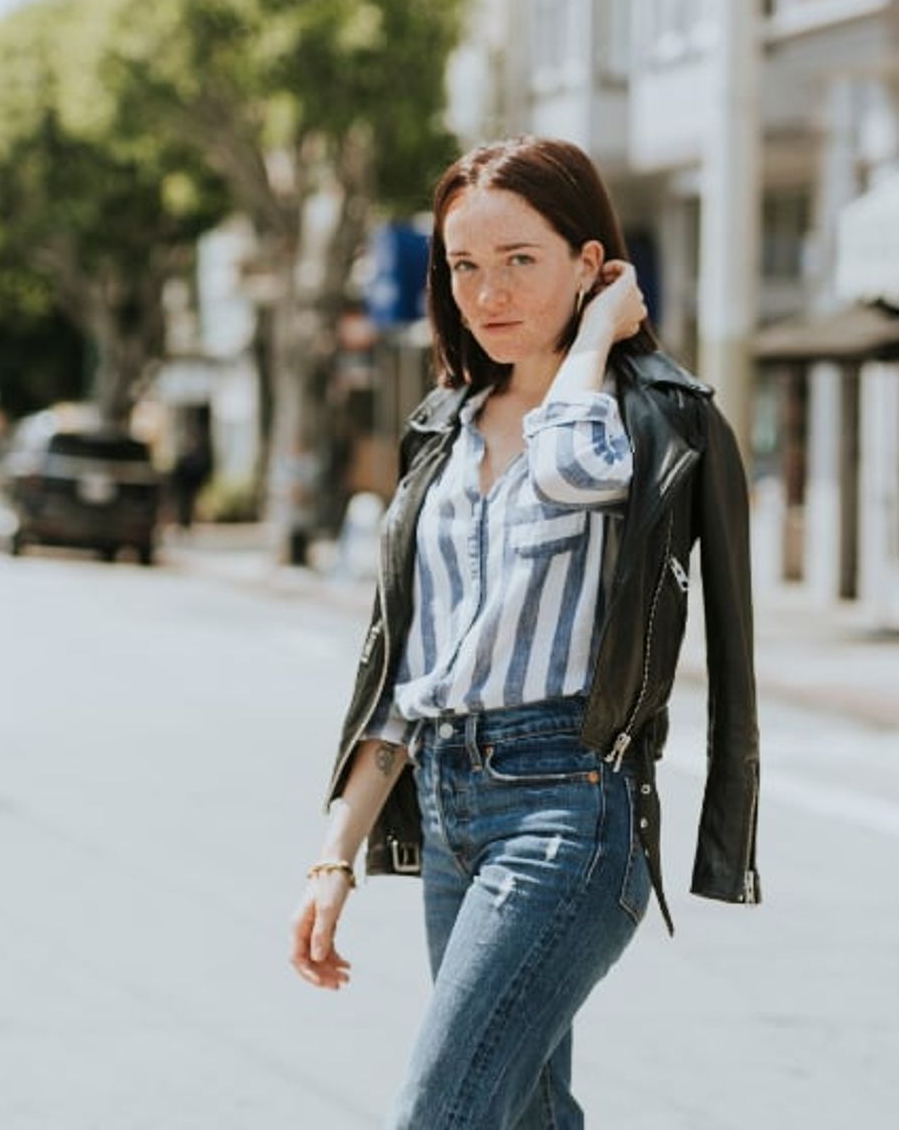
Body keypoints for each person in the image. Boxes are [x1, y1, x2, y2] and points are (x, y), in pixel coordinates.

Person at [289, 137, 761, 1128]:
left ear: (592, 265)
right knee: (524, 1117)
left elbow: (572, 474)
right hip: (453, 802)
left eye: (520, 261)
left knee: (442, 1115)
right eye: (464, 265)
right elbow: (410, 668)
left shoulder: (641, 418)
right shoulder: (446, 428)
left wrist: (589, 347)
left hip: (568, 813)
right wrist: (336, 854)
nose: (488, 292)